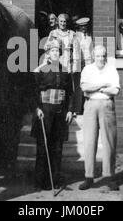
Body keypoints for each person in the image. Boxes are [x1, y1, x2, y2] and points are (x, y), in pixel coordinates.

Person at [32, 40, 77, 190]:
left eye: (58, 51)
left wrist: (70, 110)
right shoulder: (40, 70)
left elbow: (70, 93)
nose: (55, 53)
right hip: (44, 112)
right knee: (43, 146)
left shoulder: (65, 71)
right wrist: (37, 108)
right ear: (48, 54)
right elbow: (33, 93)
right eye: (52, 51)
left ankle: (55, 180)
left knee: (57, 148)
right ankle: (40, 181)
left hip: (60, 113)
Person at [79, 45, 120, 191]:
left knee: (109, 141)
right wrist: (103, 85)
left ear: (105, 56)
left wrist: (95, 87)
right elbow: (84, 88)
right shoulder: (87, 69)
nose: (101, 58)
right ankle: (89, 177)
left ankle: (109, 177)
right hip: (90, 106)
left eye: (103, 56)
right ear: (93, 56)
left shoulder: (111, 69)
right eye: (98, 56)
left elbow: (115, 90)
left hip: (107, 105)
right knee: (89, 141)